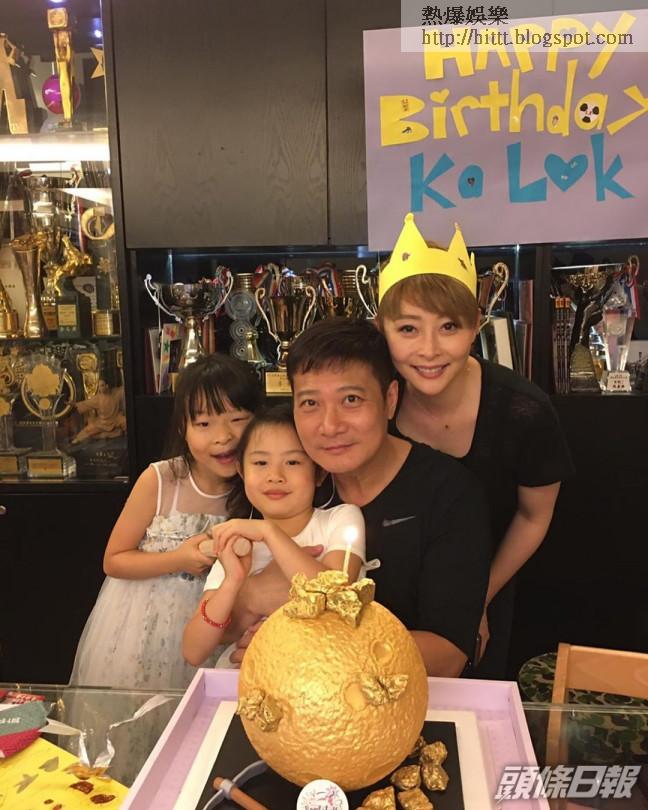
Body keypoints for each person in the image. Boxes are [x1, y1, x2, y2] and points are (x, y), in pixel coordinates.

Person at [231, 318, 492, 677]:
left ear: (390, 400)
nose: (330, 425)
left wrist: (306, 648)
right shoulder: (288, 480)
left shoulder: (448, 494)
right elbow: (227, 623)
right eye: (310, 403)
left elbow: (447, 655)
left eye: (351, 399)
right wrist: (248, 597)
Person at [377, 213, 574, 678]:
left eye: (449, 327)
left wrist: (472, 599)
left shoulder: (523, 411)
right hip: (384, 597)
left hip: (486, 585)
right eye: (408, 329)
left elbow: (533, 516)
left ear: (476, 325)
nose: (429, 349)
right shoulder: (373, 399)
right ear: (382, 328)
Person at [69, 353, 263, 689]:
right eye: (204, 424)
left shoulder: (263, 487)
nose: (223, 436)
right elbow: (114, 560)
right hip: (143, 631)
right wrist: (179, 559)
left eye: (237, 419)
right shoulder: (161, 480)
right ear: (183, 428)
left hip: (220, 630)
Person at [182, 404, 366, 667]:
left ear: (319, 471)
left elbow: (336, 595)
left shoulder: (341, 519)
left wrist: (269, 532)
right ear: (241, 470)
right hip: (245, 676)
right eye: (260, 463)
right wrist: (233, 582)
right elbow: (193, 651)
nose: (275, 476)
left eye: (292, 462)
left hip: (323, 676)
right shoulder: (237, 544)